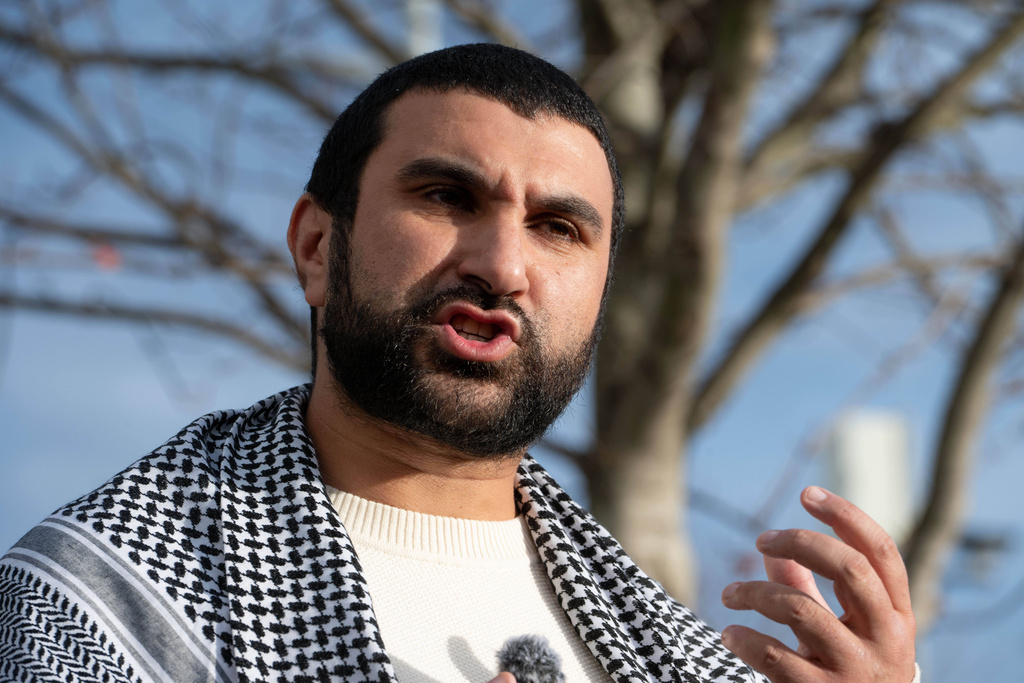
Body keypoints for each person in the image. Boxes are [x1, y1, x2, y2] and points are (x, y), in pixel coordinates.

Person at [0, 44, 917, 683]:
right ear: (318, 245)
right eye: (446, 194)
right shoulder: (99, 607)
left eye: (558, 228)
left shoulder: (673, 650)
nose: (503, 264)